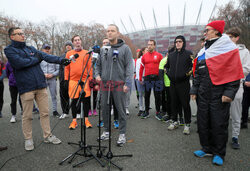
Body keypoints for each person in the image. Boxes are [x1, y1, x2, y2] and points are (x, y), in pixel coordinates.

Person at [4, 27, 70, 151]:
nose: (23, 35)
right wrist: (36, 59)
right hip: (26, 87)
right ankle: (28, 139)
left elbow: (45, 56)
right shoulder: (9, 50)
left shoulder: (31, 48)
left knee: (45, 113)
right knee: (27, 115)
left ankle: (48, 135)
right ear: (12, 36)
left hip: (41, 85)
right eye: (19, 34)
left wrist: (61, 60)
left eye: (23, 33)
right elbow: (20, 63)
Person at [190, 20, 243, 166]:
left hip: (219, 95)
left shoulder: (228, 48)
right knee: (203, 122)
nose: (204, 33)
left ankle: (219, 152)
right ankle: (206, 148)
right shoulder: (203, 51)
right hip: (203, 94)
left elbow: (234, 73)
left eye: (207, 30)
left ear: (216, 31)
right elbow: (198, 74)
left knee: (218, 124)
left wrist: (229, 93)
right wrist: (194, 90)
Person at [95, 24, 134, 146]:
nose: (110, 33)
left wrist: (127, 83)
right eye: (108, 31)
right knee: (105, 109)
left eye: (112, 31)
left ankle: (122, 134)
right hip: (105, 84)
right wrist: (97, 75)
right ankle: (106, 131)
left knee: (120, 110)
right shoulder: (103, 49)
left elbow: (129, 66)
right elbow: (97, 65)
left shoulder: (125, 48)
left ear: (117, 33)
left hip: (119, 84)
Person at [226, 27, 250, 149]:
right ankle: (221, 136)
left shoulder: (244, 52)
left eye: (231, 37)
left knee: (236, 113)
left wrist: (232, 72)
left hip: (237, 85)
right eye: (227, 37)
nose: (228, 39)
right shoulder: (222, 50)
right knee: (222, 112)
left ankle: (235, 136)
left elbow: (246, 69)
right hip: (222, 86)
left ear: (236, 38)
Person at [165, 35, 193, 134]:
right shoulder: (171, 55)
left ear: (183, 42)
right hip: (173, 83)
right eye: (176, 42)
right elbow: (166, 67)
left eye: (180, 41)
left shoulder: (188, 54)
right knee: (174, 103)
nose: (177, 43)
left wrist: (185, 75)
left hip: (184, 83)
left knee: (185, 104)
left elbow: (192, 67)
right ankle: (174, 121)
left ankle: (187, 124)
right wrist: (169, 74)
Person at [64, 35, 93, 129]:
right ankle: (74, 121)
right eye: (75, 40)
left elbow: (90, 67)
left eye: (79, 40)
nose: (77, 42)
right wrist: (65, 79)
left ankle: (86, 120)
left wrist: (91, 79)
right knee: (74, 101)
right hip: (73, 81)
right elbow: (67, 68)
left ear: (81, 41)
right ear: (73, 43)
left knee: (86, 101)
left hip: (84, 80)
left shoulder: (87, 53)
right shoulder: (69, 53)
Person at [139, 40, 163, 119]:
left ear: (154, 46)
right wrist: (140, 78)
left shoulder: (159, 55)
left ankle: (158, 112)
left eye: (151, 45)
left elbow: (162, 67)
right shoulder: (144, 56)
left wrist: (161, 78)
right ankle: (146, 111)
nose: (149, 46)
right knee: (147, 95)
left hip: (157, 78)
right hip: (147, 78)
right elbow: (141, 68)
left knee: (157, 95)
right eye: (148, 44)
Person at [40, 44, 60, 117]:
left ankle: (55, 111)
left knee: (54, 95)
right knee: (42, 96)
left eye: (48, 48)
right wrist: (43, 74)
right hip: (43, 79)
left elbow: (58, 69)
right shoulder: (40, 58)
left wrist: (53, 74)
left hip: (52, 79)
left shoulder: (54, 58)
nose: (47, 50)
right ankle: (43, 112)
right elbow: (38, 69)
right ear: (42, 49)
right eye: (46, 48)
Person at [59, 41, 73, 119]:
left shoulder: (74, 55)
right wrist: (61, 78)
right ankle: (65, 112)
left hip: (72, 79)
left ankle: (77, 112)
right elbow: (60, 68)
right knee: (64, 96)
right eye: (67, 45)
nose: (68, 46)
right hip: (63, 79)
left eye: (69, 45)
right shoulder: (62, 56)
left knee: (74, 96)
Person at [135, 47, 148, 116]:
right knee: (140, 94)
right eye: (146, 50)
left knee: (146, 94)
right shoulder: (139, 60)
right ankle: (141, 109)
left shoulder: (148, 58)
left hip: (146, 79)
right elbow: (138, 70)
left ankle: (146, 109)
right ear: (143, 51)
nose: (148, 51)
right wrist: (139, 79)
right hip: (139, 79)